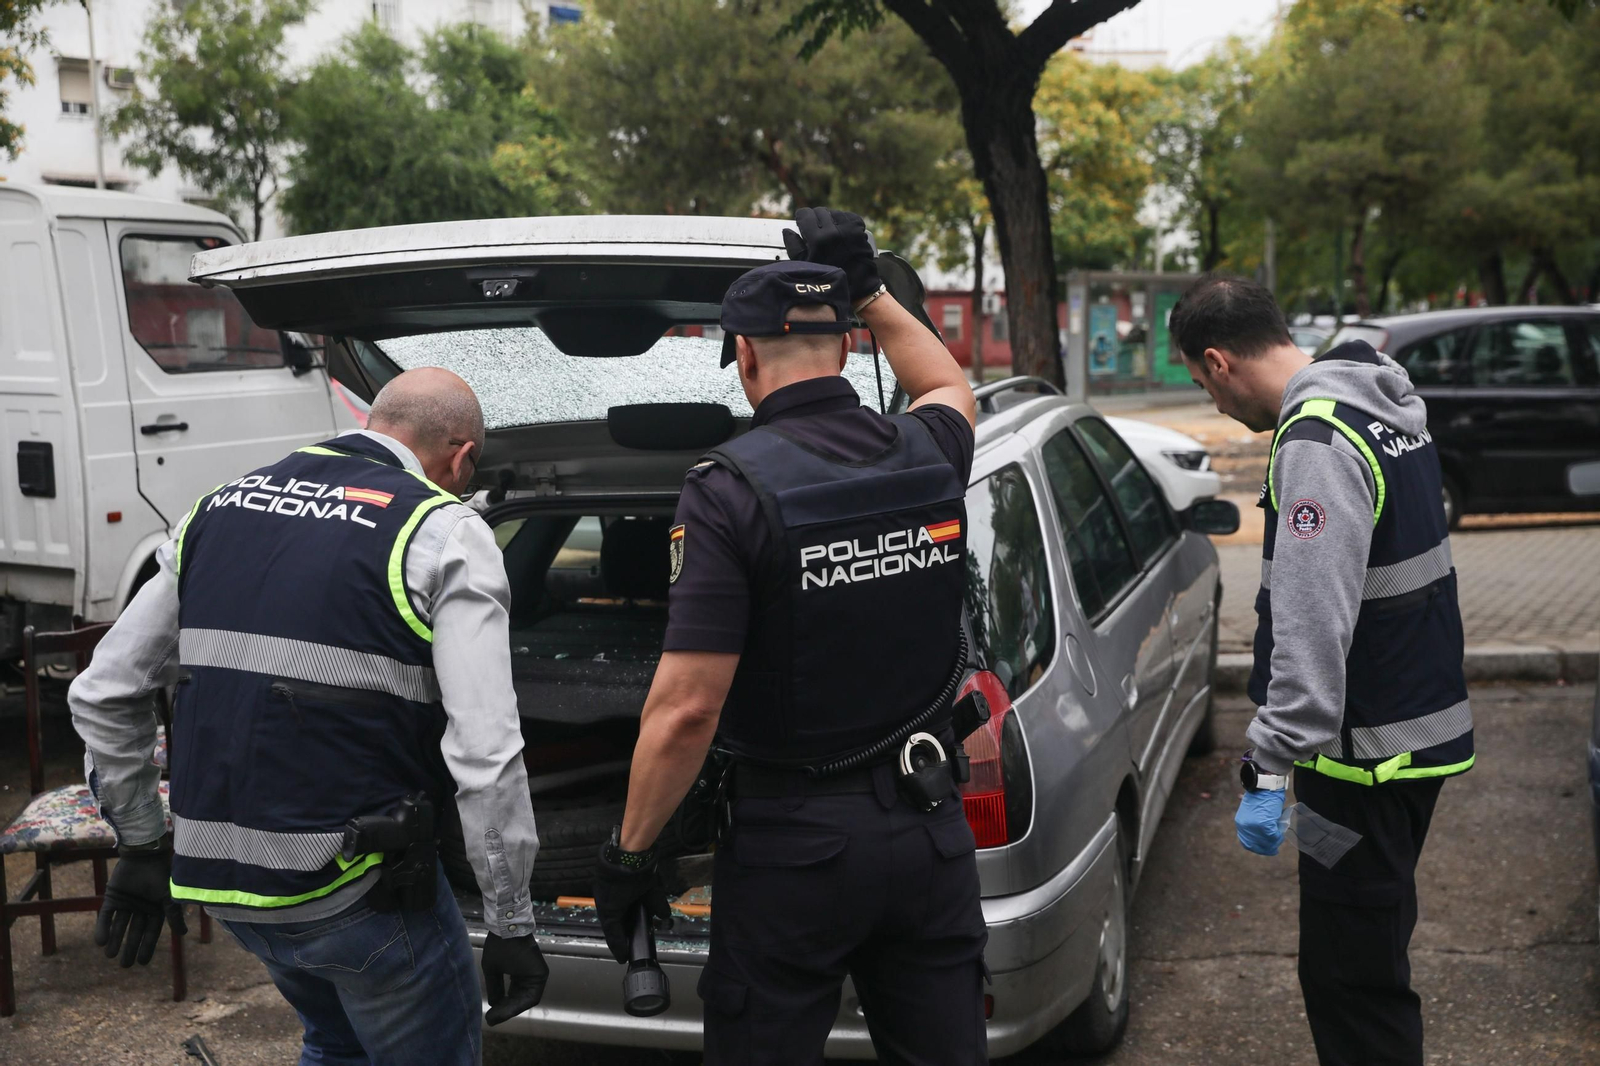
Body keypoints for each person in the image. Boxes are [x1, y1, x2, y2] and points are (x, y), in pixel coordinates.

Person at [590, 207, 986, 1065]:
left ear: (744, 356)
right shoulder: (926, 450)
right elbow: (947, 383)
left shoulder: (728, 489)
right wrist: (870, 291)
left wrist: (631, 854)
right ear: (845, 348)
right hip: (928, 829)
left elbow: (687, 709)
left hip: (795, 852)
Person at [69, 368, 548, 1065]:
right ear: (462, 457)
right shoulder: (441, 530)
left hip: (224, 886)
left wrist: (142, 845)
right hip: (353, 890)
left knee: (335, 1042)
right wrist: (510, 919)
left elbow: (102, 691)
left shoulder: (216, 506)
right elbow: (485, 753)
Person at [1169, 275, 1473, 1066]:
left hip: (1363, 766)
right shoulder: (1379, 406)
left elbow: (1311, 632)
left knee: (1353, 986)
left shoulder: (1317, 441)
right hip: (1406, 745)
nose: (1214, 403)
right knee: (1368, 952)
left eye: (1203, 385)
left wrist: (1267, 767)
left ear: (1218, 361)